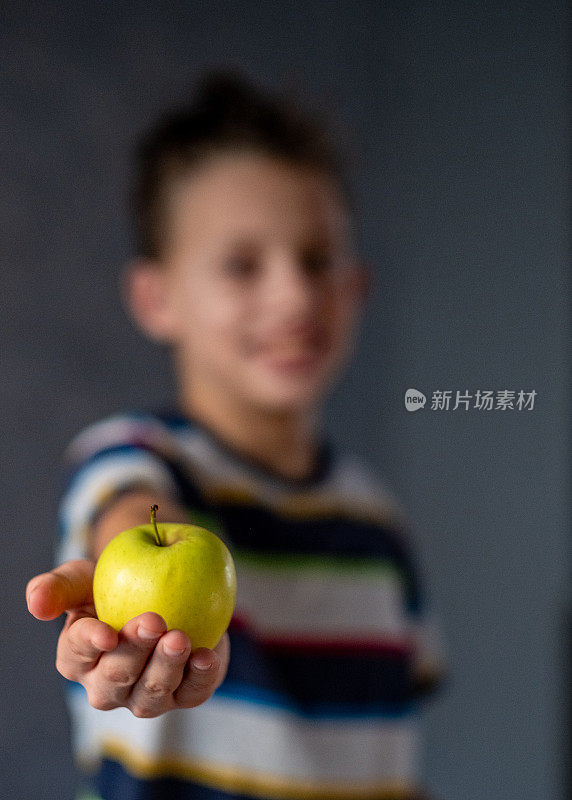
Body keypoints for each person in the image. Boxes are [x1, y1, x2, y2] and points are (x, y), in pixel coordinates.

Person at [26, 70, 445, 800]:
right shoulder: (136, 458)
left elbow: (390, 745)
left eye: (317, 260)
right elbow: (126, 506)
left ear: (357, 287)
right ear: (156, 299)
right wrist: (136, 614)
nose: (294, 296)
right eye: (242, 265)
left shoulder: (380, 524)